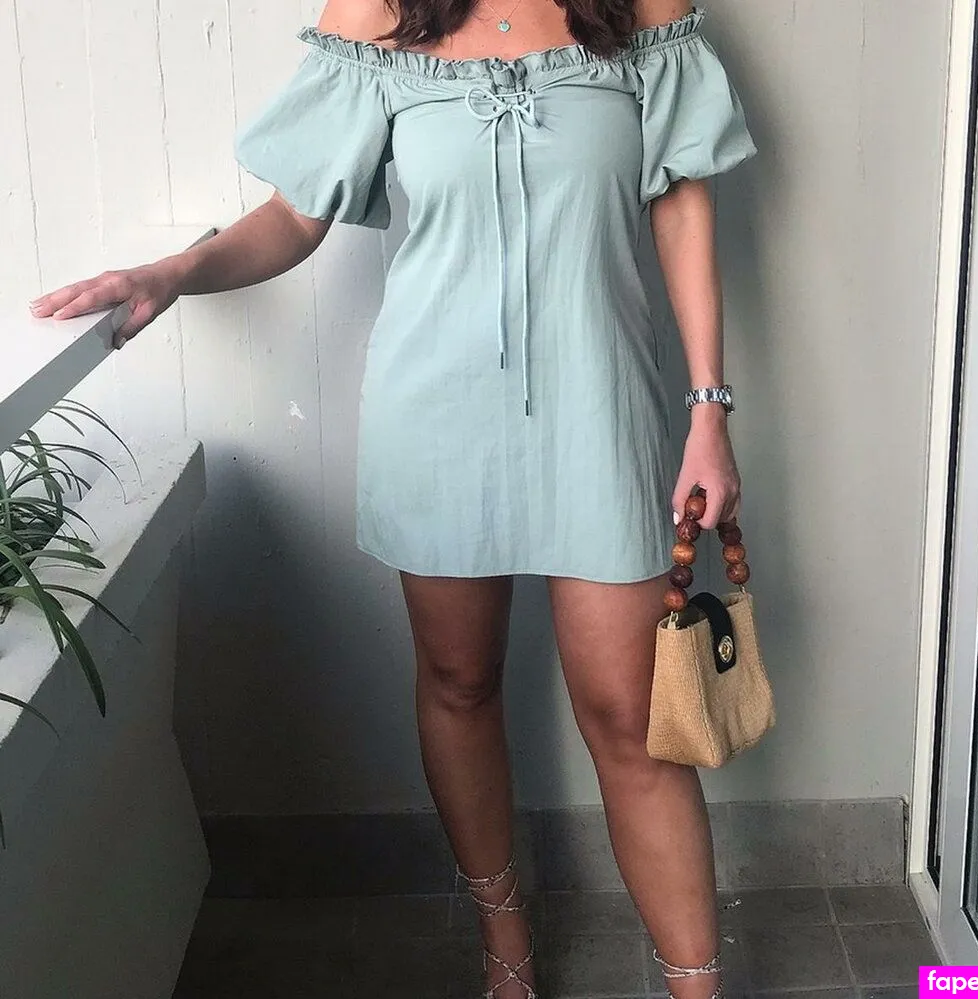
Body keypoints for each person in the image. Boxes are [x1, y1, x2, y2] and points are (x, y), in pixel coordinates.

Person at [29, 0, 756, 994]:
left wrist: (709, 409)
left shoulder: (641, 11)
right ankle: (505, 942)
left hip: (601, 407)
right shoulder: (378, 14)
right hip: (435, 415)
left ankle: (697, 988)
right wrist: (178, 271)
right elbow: (296, 215)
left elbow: (679, 202)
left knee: (632, 719)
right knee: (458, 683)